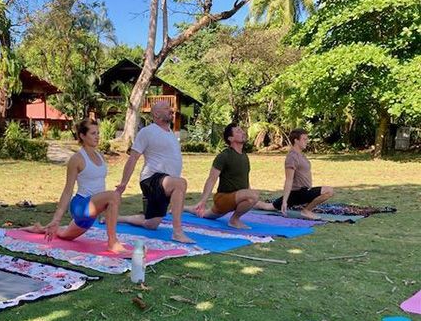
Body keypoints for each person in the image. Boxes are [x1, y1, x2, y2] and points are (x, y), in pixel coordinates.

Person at [22, 119, 128, 253]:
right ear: (83, 136)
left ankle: (39, 228)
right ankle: (112, 242)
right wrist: (56, 219)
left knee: (65, 235)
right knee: (114, 196)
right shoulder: (76, 159)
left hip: (92, 212)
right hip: (80, 206)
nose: (97, 136)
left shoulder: (100, 155)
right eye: (93, 133)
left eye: (98, 133)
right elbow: (68, 190)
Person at [115, 101, 195, 243]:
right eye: (166, 108)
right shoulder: (147, 132)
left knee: (151, 224)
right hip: (151, 179)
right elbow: (133, 158)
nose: (171, 110)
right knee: (180, 184)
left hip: (165, 182)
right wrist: (123, 183)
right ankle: (177, 232)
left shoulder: (171, 133)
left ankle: (119, 218)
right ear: (157, 114)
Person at [184, 123, 260, 229]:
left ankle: (185, 208)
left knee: (206, 214)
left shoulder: (244, 157)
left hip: (235, 199)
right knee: (253, 195)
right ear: (231, 138)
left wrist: (254, 200)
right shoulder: (224, 156)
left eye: (241, 130)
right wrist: (203, 201)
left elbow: (245, 182)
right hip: (222, 199)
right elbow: (211, 180)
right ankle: (234, 220)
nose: (242, 132)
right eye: (238, 131)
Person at [255, 128, 335, 219]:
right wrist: (285, 201)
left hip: (304, 191)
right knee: (329, 190)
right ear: (296, 140)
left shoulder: (300, 155)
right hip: (298, 193)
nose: (307, 141)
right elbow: (288, 180)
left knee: (268, 206)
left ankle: (250, 202)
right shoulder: (292, 157)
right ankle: (306, 211)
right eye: (304, 139)